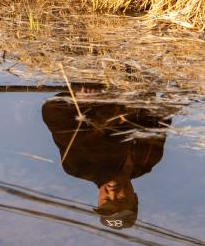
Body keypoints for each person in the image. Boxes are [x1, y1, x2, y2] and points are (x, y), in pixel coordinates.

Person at [41, 86, 175, 230]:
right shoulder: (148, 160)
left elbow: (53, 112)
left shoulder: (79, 166)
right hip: (141, 83)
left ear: (98, 201)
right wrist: (177, 97)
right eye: (120, 199)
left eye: (107, 200)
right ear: (135, 198)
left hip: (103, 83)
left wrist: (81, 101)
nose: (112, 192)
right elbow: (160, 120)